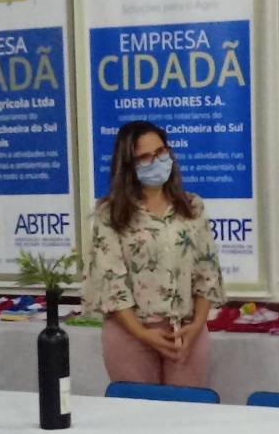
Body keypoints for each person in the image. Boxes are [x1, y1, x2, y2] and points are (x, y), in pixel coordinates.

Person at [84, 121, 224, 388]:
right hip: (131, 334)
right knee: (139, 420)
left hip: (185, 333)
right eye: (145, 157)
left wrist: (196, 325)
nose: (156, 160)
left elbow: (207, 272)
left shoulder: (192, 207)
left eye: (161, 152)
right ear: (129, 165)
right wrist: (143, 334)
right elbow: (112, 281)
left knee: (185, 418)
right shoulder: (109, 214)